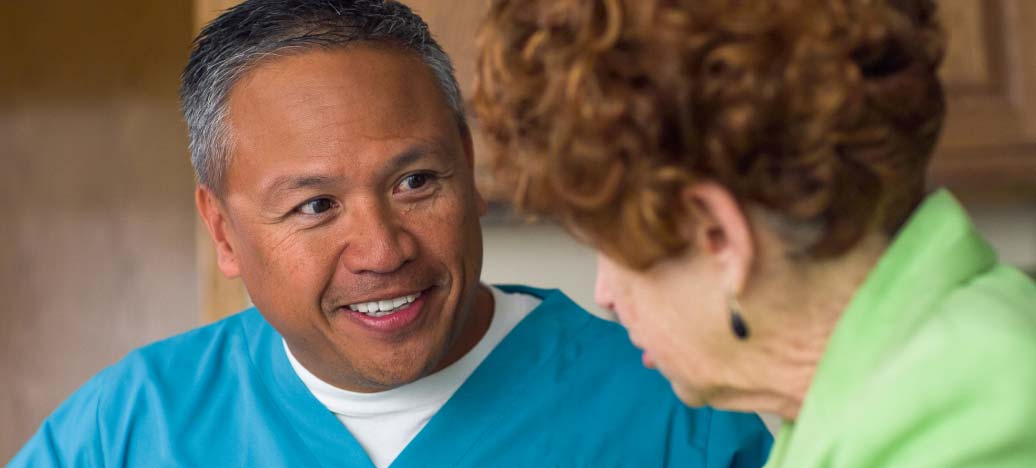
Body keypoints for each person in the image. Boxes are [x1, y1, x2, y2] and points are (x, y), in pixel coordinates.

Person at [7, 1, 774, 467]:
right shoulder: (130, 430)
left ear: (469, 172)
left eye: (416, 183)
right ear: (224, 232)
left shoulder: (675, 404)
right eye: (314, 206)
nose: (383, 251)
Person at [473, 0, 1036, 466]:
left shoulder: (971, 419)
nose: (606, 294)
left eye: (609, 247)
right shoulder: (871, 395)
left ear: (718, 235)